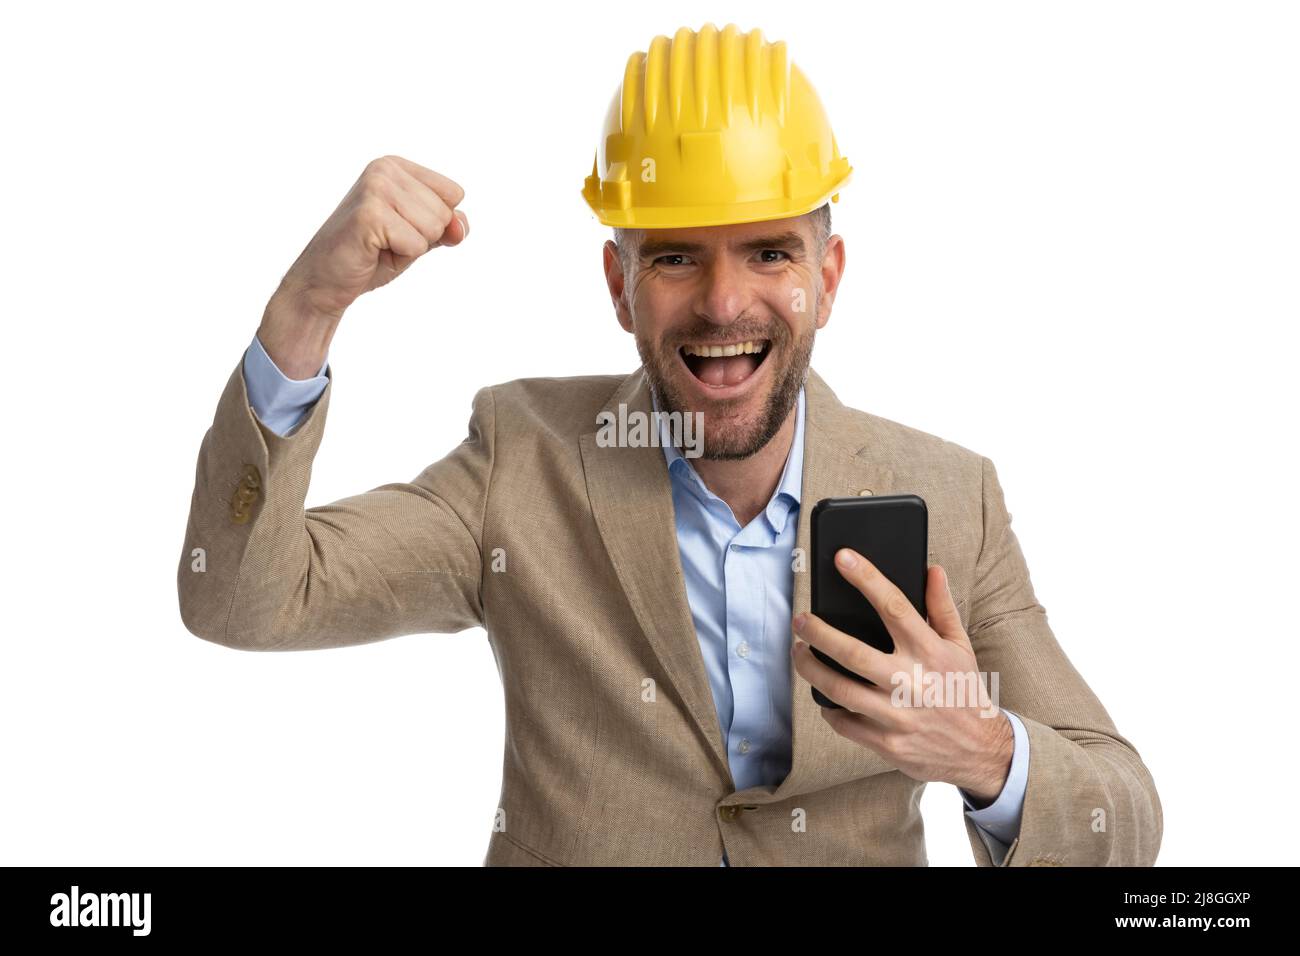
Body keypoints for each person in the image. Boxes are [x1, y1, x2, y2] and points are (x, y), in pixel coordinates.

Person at [178, 23, 1162, 866]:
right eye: (677, 257)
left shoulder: (949, 495)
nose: (724, 303)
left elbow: (1124, 813)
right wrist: (308, 308)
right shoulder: (519, 461)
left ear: (827, 277)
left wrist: (985, 750)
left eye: (769, 250)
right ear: (618, 284)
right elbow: (242, 600)